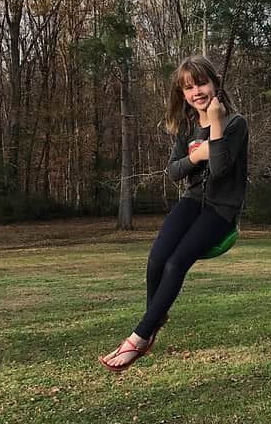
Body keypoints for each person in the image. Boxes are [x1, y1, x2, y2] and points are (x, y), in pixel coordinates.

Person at [100, 55, 249, 372]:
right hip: (193, 201)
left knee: (176, 262)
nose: (197, 92)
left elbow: (221, 171)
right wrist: (198, 156)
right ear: (182, 94)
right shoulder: (188, 127)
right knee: (156, 258)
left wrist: (217, 127)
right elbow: (173, 172)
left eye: (202, 83)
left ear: (215, 83)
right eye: (189, 87)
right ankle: (153, 320)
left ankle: (140, 337)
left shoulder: (236, 123)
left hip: (221, 209)